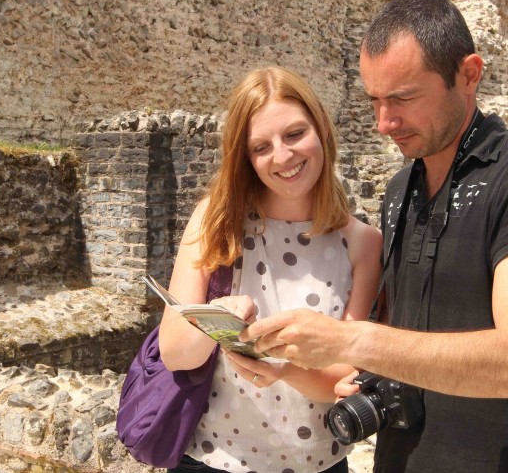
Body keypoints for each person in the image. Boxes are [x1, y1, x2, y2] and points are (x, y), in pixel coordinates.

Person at [240, 0, 508, 472]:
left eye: (402, 98)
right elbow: (407, 338)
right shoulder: (401, 186)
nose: (384, 123)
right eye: (375, 100)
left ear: (468, 74)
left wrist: (350, 341)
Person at [158, 66, 383, 472]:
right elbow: (174, 354)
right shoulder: (214, 219)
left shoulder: (363, 242)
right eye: (261, 147)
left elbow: (344, 374)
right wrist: (219, 319)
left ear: (322, 130)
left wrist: (283, 370)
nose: (283, 156)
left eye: (295, 134)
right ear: (245, 158)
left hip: (320, 464)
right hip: (214, 460)